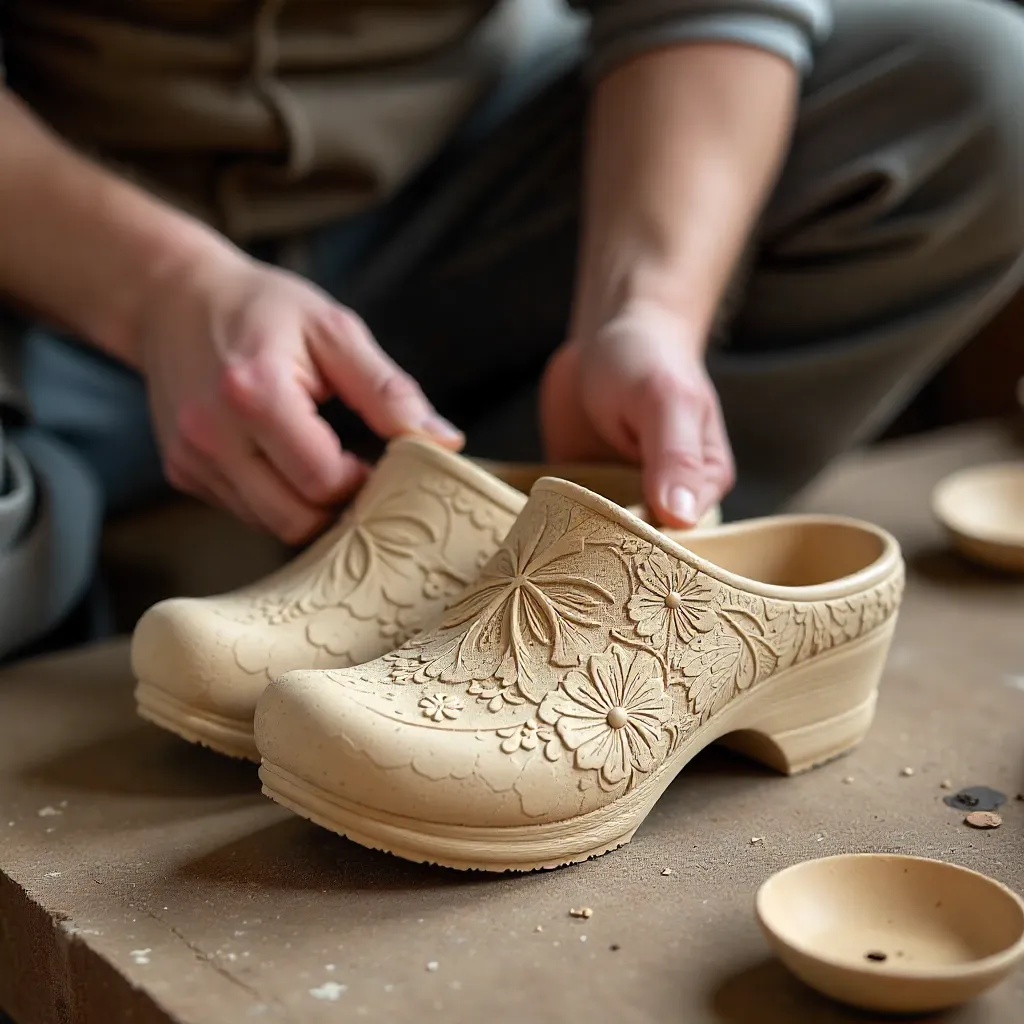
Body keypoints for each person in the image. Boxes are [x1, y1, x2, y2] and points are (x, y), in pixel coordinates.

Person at [1, 0, 1024, 660]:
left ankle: (533, 581)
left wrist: (647, 307)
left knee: (977, 92)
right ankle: (184, 563)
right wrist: (163, 288)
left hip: (476, 194)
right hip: (53, 265)